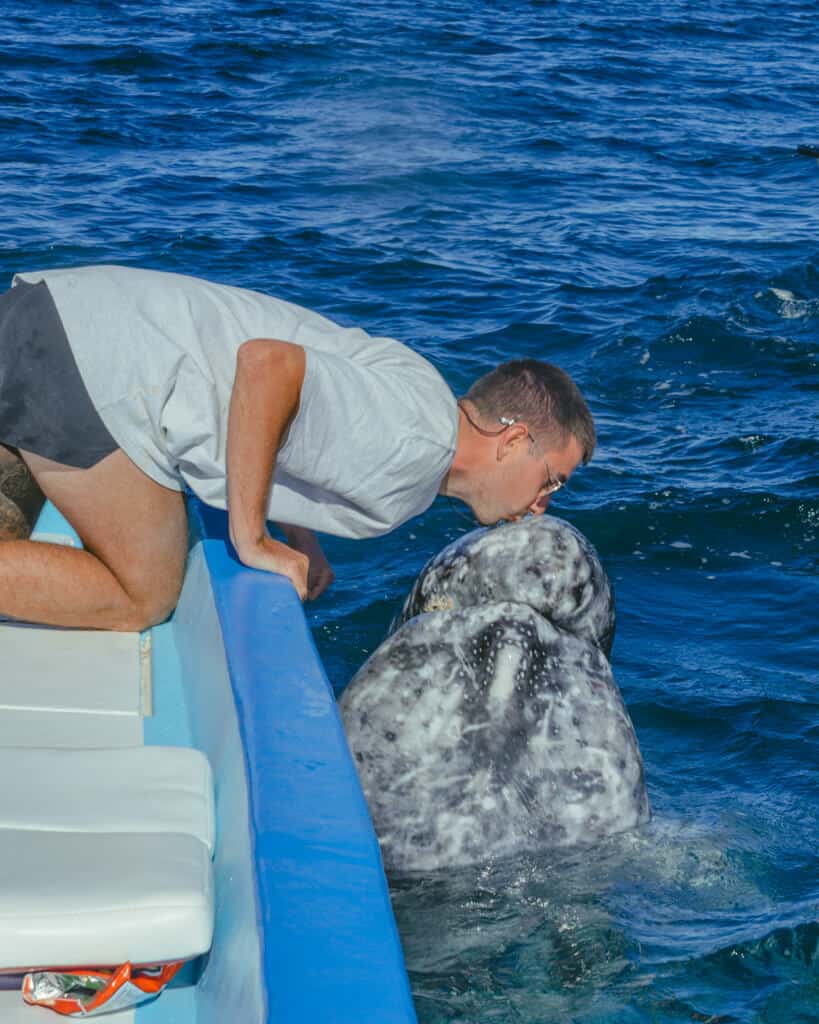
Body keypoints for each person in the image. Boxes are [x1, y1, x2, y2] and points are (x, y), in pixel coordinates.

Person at [0, 265, 595, 631]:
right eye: (552, 479)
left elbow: (303, 425)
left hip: (55, 314)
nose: (544, 504)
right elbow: (268, 366)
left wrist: (301, 534)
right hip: (84, 358)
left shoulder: (423, 397)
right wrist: (251, 537)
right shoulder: (414, 445)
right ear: (514, 440)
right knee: (143, 595)